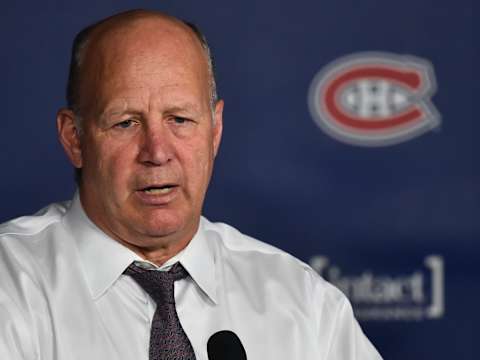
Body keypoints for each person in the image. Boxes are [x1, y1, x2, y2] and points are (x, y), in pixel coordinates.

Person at [0, 9, 382, 360]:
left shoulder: (305, 304)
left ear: (215, 130)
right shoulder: (11, 286)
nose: (157, 151)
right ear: (75, 138)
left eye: (180, 119)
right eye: (125, 123)